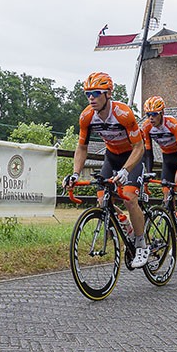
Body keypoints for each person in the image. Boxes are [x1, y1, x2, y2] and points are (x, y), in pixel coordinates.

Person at [63, 72, 150, 269]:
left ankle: (141, 243)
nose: (91, 98)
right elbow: (82, 147)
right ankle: (124, 224)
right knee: (102, 199)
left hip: (132, 156)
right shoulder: (86, 116)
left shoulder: (123, 113)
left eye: (96, 93)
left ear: (108, 94)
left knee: (129, 198)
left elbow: (139, 147)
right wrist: (76, 173)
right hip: (111, 156)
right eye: (88, 94)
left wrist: (126, 171)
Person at [140, 95, 177, 238]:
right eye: (148, 114)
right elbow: (148, 153)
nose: (151, 118)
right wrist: (149, 173)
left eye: (154, 114)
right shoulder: (146, 127)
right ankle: (176, 219)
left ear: (162, 113)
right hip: (167, 157)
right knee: (166, 192)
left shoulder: (172, 124)